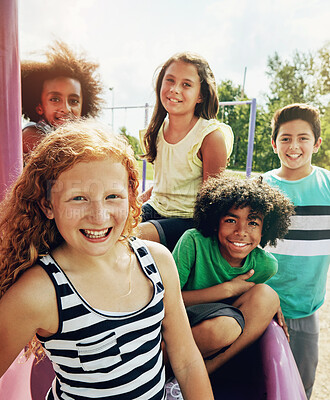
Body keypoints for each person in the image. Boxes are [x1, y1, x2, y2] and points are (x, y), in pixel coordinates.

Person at [0, 119, 214, 400]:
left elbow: (186, 361)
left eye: (112, 195)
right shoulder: (39, 292)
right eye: (78, 198)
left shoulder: (158, 262)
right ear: (48, 206)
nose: (99, 216)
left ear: (131, 197)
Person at [172, 174, 295, 373]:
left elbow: (250, 302)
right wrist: (226, 289)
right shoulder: (193, 242)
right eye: (231, 220)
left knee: (268, 296)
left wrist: (272, 304)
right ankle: (164, 364)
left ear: (265, 230)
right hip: (183, 321)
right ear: (215, 222)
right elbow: (165, 302)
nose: (241, 231)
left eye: (253, 223)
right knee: (222, 329)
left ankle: (208, 369)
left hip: (224, 325)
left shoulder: (265, 265)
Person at [263, 103, 330, 399]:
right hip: (261, 304)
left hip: (305, 308)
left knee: (301, 386)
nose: (294, 146)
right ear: (274, 142)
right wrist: (260, 296)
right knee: (260, 380)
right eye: (286, 138)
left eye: (303, 138)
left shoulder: (327, 184)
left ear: (316, 143)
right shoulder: (262, 186)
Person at [138, 52, 234, 251]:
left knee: (134, 235)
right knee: (114, 223)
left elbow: (212, 201)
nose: (174, 89)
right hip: (156, 208)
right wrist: (134, 203)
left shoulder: (210, 136)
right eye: (170, 80)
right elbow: (165, 184)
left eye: (186, 84)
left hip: (189, 220)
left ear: (200, 95)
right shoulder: (156, 132)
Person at [21, 41, 103, 155]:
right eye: (55, 99)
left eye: (73, 101)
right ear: (39, 107)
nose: (66, 109)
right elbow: (63, 159)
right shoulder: (31, 134)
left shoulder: (75, 136)